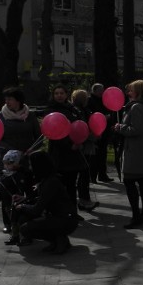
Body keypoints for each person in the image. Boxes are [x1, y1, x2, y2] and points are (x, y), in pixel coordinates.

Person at [14, 151, 78, 254]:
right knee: (24, 219)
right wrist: (23, 198)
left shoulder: (51, 182)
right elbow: (40, 198)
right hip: (60, 217)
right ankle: (57, 240)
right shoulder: (47, 179)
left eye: (31, 165)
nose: (30, 167)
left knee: (25, 228)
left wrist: (23, 206)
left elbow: (37, 209)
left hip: (65, 220)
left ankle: (60, 239)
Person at [114, 80, 143, 229]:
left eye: (131, 90)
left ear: (138, 92)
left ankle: (137, 215)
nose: (128, 93)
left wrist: (120, 127)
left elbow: (136, 129)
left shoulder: (137, 107)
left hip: (135, 150)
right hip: (141, 149)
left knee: (130, 181)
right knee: (142, 180)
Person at [44, 84, 86, 217]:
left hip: (74, 152)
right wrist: (69, 145)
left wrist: (79, 141)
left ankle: (73, 211)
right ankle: (60, 212)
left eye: (61, 93)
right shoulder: (51, 110)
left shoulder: (72, 108)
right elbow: (54, 132)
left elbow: (80, 125)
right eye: (56, 93)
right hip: (59, 152)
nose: (59, 95)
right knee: (60, 185)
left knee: (71, 185)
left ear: (66, 94)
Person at [0, 149, 34, 244]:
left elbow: (27, 188)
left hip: (19, 202)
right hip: (8, 203)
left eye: (9, 163)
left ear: (17, 163)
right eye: (5, 163)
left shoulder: (22, 175)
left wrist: (25, 197)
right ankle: (15, 236)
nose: (7, 166)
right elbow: (2, 189)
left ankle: (26, 237)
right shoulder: (5, 175)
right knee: (13, 221)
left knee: (20, 220)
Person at [0, 87, 41, 172]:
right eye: (6, 99)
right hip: (8, 159)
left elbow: (39, 136)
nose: (7, 102)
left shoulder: (30, 115)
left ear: (18, 100)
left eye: (10, 99)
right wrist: (13, 151)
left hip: (27, 158)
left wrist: (33, 148)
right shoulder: (1, 116)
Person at [70, 89, 98, 212]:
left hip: (84, 145)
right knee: (84, 174)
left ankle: (84, 199)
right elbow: (83, 129)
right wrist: (93, 135)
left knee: (84, 174)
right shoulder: (79, 112)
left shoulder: (82, 110)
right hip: (83, 146)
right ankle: (84, 200)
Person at [87, 83, 114, 183]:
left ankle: (102, 174)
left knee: (103, 154)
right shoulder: (90, 100)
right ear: (95, 91)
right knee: (95, 155)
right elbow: (92, 115)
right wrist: (103, 117)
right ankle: (93, 176)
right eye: (100, 90)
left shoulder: (103, 100)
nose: (102, 92)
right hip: (96, 131)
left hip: (105, 130)